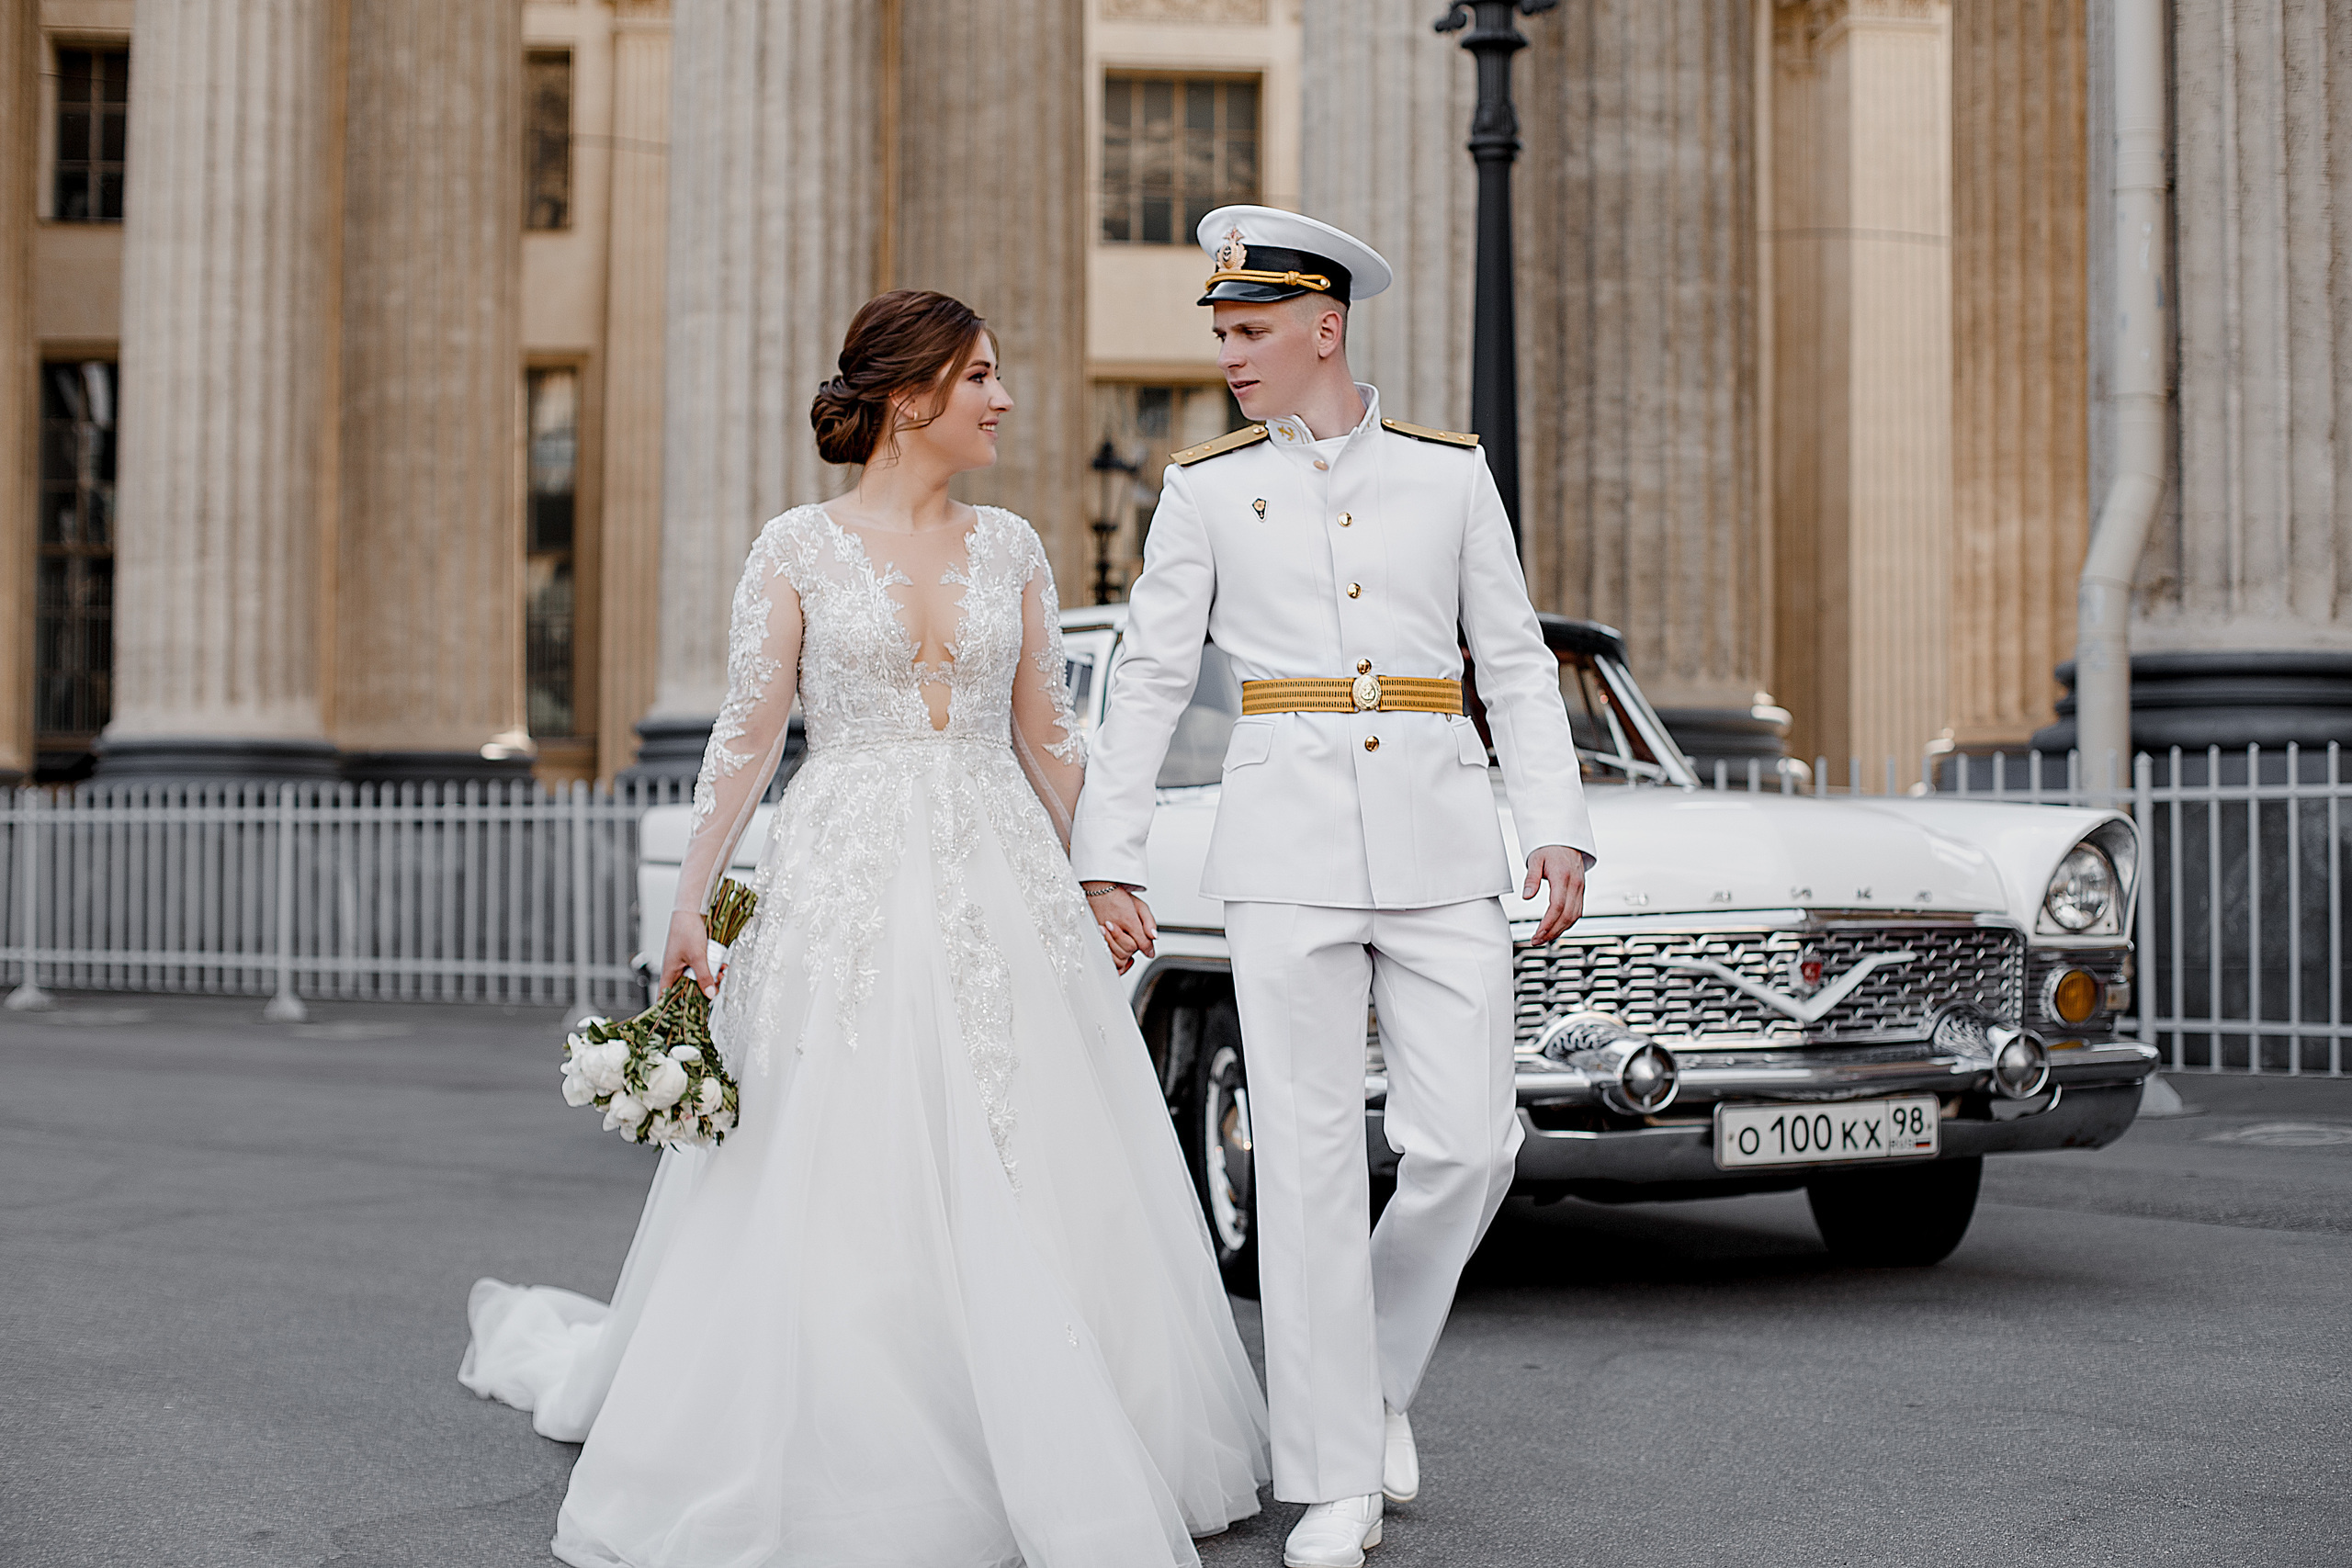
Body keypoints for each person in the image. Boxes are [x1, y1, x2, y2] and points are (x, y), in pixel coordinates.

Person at [461, 289, 1269, 1568]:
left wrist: (1109, 872)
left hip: (999, 872)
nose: (1003, 399)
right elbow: (745, 741)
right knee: (845, 1141)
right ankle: (856, 1437)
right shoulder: (797, 547)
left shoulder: (1014, 548)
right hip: (847, 871)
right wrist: (692, 902)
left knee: (1028, 1129)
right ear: (909, 398)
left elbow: (1049, 737)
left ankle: (1061, 1422)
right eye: (981, 376)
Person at [1070, 209, 1596, 1568]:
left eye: (1251, 332)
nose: (1229, 357)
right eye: (1222, 335)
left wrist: (1555, 824)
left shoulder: (1448, 474)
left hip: (1440, 834)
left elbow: (1515, 662)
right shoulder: (1202, 490)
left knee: (1472, 1146)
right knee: (1303, 1163)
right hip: (1286, 846)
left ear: (1326, 325)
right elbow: (1148, 678)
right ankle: (1331, 1475)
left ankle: (1367, 1386)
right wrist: (1106, 851)